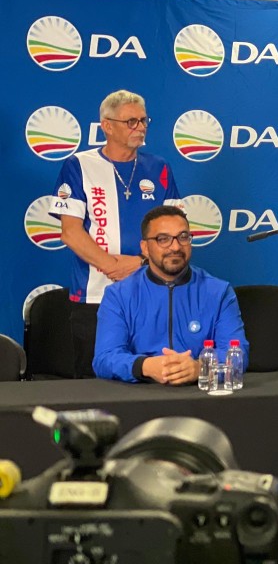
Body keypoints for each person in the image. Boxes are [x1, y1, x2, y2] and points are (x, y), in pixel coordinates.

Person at [49, 89, 182, 377]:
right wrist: (113, 266)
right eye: (131, 121)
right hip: (94, 297)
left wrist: (140, 264)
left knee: (152, 378)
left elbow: (175, 229)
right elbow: (70, 232)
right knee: (94, 383)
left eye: (144, 120)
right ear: (107, 126)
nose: (141, 127)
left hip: (151, 294)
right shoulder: (79, 165)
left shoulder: (159, 167)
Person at [93, 205, 248, 385]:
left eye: (183, 237)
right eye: (163, 239)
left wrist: (200, 367)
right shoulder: (118, 295)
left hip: (200, 395)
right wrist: (145, 366)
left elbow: (237, 353)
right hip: (140, 395)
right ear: (145, 247)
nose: (175, 247)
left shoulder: (219, 292)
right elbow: (104, 358)